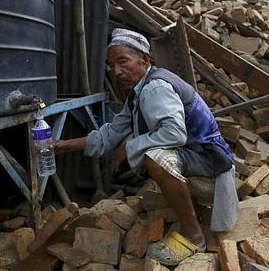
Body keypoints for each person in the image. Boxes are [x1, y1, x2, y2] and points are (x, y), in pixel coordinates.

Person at [51, 28, 239, 266]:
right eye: (111, 65)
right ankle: (182, 204)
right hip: (201, 162)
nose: (117, 71)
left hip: (214, 170)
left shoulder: (154, 88)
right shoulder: (138, 92)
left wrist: (130, 146)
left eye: (123, 62)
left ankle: (195, 237)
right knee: (151, 154)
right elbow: (109, 134)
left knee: (156, 158)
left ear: (145, 59)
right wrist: (63, 146)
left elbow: (174, 133)